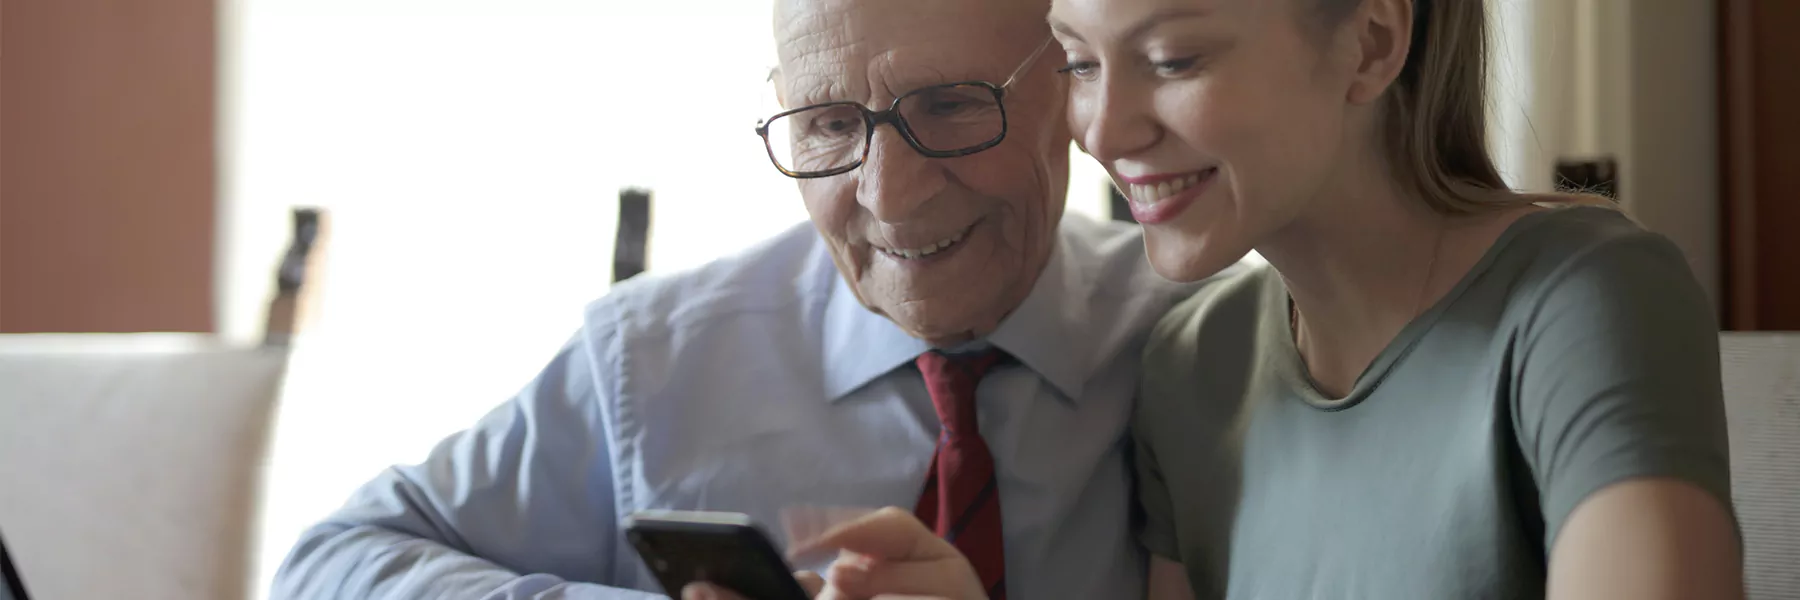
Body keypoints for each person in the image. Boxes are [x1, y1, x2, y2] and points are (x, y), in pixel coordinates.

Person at [795, 0, 1745, 598]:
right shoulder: (1191, 361)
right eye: (1079, 62)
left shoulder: (1583, 298)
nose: (1102, 129)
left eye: (1172, 59)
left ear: (1371, 43)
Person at [270, 0, 1202, 597]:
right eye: (831, 124)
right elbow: (331, 564)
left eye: (952, 107)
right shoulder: (654, 359)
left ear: (1075, 91)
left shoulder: (1206, 345)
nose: (889, 193)